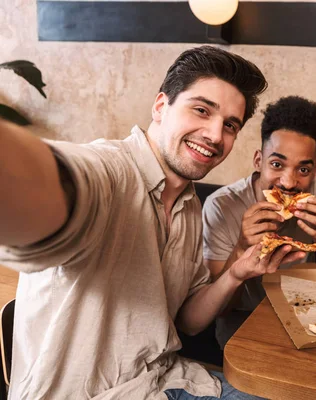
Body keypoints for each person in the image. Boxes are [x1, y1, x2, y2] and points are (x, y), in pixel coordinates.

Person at [0, 46, 300, 399]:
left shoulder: (190, 208)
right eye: (201, 110)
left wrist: (237, 271)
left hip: (171, 381)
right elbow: (53, 182)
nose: (216, 136)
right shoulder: (112, 173)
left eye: (230, 125)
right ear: (161, 106)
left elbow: (188, 321)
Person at [202, 96, 316, 346]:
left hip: (305, 313)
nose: (288, 182)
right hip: (242, 322)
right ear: (258, 160)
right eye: (277, 164)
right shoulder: (222, 205)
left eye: (303, 170)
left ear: (315, 170)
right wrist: (242, 247)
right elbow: (217, 310)